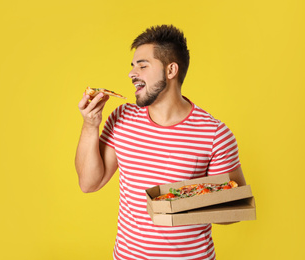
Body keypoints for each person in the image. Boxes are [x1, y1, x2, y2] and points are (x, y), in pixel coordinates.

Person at [75, 25, 242, 260]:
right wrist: (90, 125)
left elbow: (233, 210)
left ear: (171, 70)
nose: (132, 73)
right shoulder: (122, 118)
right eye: (132, 66)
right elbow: (89, 183)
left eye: (142, 66)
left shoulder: (214, 134)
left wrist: (179, 198)